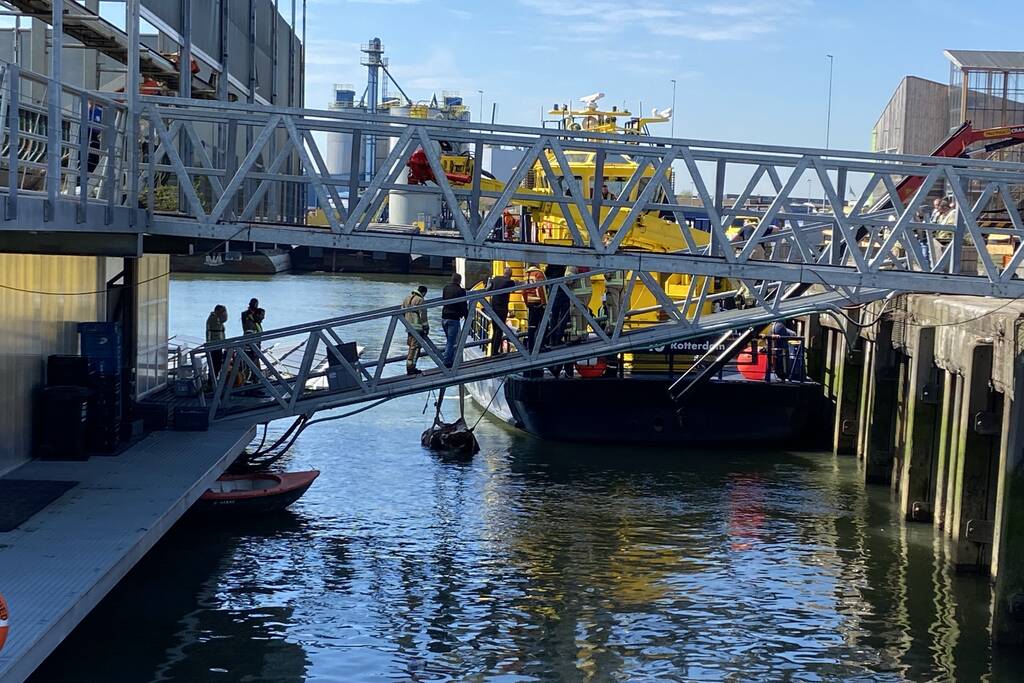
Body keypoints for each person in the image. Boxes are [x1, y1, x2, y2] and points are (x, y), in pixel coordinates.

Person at [486, 267, 516, 355]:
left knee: (495, 329)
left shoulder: (496, 279)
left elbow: (488, 289)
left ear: (504, 273)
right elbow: (513, 290)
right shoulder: (510, 282)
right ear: (510, 275)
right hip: (502, 309)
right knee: (499, 330)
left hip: (493, 307)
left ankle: (492, 351)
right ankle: (495, 352)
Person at [440, 273, 468, 368]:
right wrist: (467, 315)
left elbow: (444, 299)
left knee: (449, 340)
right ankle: (447, 362)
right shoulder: (460, 291)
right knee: (451, 341)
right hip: (453, 319)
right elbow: (463, 305)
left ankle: (450, 359)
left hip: (444, 317)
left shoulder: (446, 288)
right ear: (459, 280)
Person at [402, 285, 429, 374]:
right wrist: (426, 328)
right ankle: (411, 368)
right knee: (415, 348)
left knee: (411, 347)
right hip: (417, 329)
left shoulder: (407, 298)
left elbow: (401, 312)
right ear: (424, 293)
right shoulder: (420, 300)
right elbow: (423, 316)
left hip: (409, 328)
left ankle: (410, 367)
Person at [522, 265, 548, 352]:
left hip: (530, 303)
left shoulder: (526, 275)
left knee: (532, 326)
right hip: (538, 303)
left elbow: (523, 291)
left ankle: (531, 347)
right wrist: (544, 302)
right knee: (544, 324)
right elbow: (541, 288)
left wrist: (526, 303)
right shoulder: (538, 274)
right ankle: (541, 345)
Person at [205, 304, 228, 381]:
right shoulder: (214, 319)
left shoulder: (216, 318)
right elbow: (224, 319)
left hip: (219, 344)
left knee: (217, 364)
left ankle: (213, 381)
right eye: (223, 312)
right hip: (214, 345)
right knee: (215, 364)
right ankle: (211, 382)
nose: (224, 313)